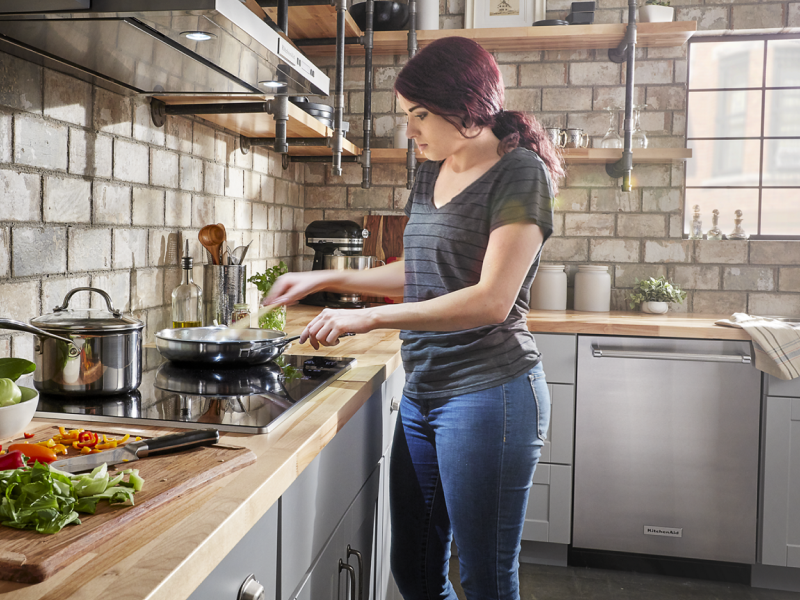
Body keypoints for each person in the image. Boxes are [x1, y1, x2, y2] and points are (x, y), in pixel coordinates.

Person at [262, 36, 564, 600]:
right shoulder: (430, 171)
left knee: (486, 582)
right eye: (407, 115)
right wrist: (326, 279)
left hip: (490, 393)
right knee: (416, 571)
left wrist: (369, 321)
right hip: (425, 389)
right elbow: (419, 268)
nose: (410, 129)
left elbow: (490, 300)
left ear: (467, 107)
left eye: (419, 115)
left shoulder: (520, 174)